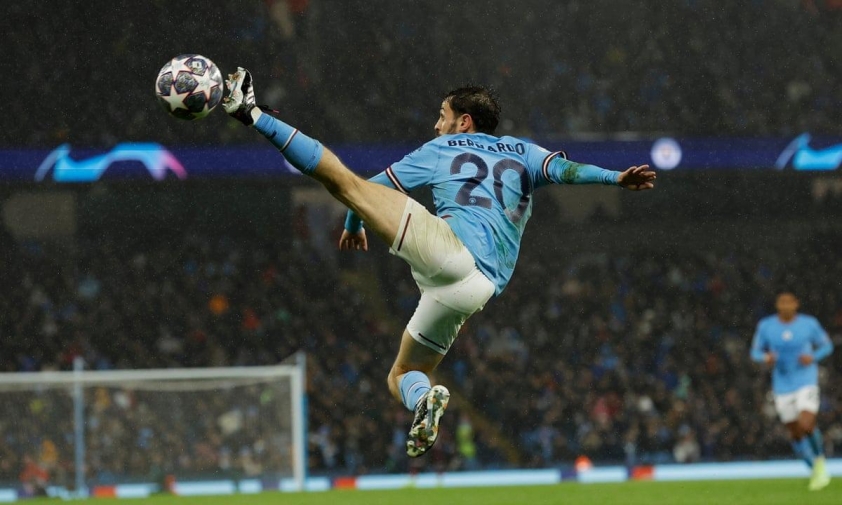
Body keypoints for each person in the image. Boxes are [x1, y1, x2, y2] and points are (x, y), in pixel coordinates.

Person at [222, 68, 656, 457]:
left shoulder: (441, 148)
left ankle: (251, 113)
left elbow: (367, 188)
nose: (436, 124)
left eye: (442, 115)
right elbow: (568, 171)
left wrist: (354, 222)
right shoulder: (524, 152)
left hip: (449, 251)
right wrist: (615, 178)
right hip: (479, 288)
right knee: (404, 373)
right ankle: (423, 401)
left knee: (340, 179)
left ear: (463, 121)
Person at [750, 290, 834, 491]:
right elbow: (754, 352)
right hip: (782, 385)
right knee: (795, 432)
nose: (785, 305)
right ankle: (813, 468)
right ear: (777, 305)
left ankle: (820, 461)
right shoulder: (766, 326)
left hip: (806, 380)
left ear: (796, 304)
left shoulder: (809, 324)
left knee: (807, 423)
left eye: (789, 302)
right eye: (782, 302)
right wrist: (765, 358)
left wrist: (813, 357)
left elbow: (827, 346)